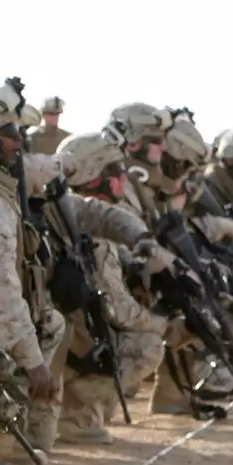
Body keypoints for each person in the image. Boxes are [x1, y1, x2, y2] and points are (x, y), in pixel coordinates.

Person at [0, 82, 152, 465]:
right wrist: (34, 365)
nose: (19, 142)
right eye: (11, 133)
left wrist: (73, 164)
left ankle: (10, 437)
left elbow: (55, 182)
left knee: (49, 323)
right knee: (33, 335)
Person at [53, 131, 172, 443]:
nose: (123, 180)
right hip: (68, 345)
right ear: (95, 177)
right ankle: (74, 414)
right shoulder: (93, 237)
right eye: (116, 172)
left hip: (63, 339)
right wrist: (161, 324)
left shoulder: (65, 216)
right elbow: (117, 309)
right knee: (148, 345)